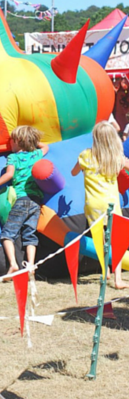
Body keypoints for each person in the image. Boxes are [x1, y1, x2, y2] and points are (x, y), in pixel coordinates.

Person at [72, 120, 129, 289]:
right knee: (116, 240)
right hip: (111, 203)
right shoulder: (116, 158)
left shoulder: (85, 155)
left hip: (93, 203)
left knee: (99, 239)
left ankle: (105, 273)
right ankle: (118, 279)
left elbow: (73, 172)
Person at [0, 126, 49, 275]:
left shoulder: (13, 157)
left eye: (11, 140)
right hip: (36, 201)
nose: (10, 143)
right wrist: (31, 141)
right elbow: (45, 146)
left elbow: (10, 174)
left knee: (7, 234)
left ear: (17, 141)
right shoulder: (36, 154)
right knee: (30, 234)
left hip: (22, 199)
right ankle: (30, 265)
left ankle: (13, 264)